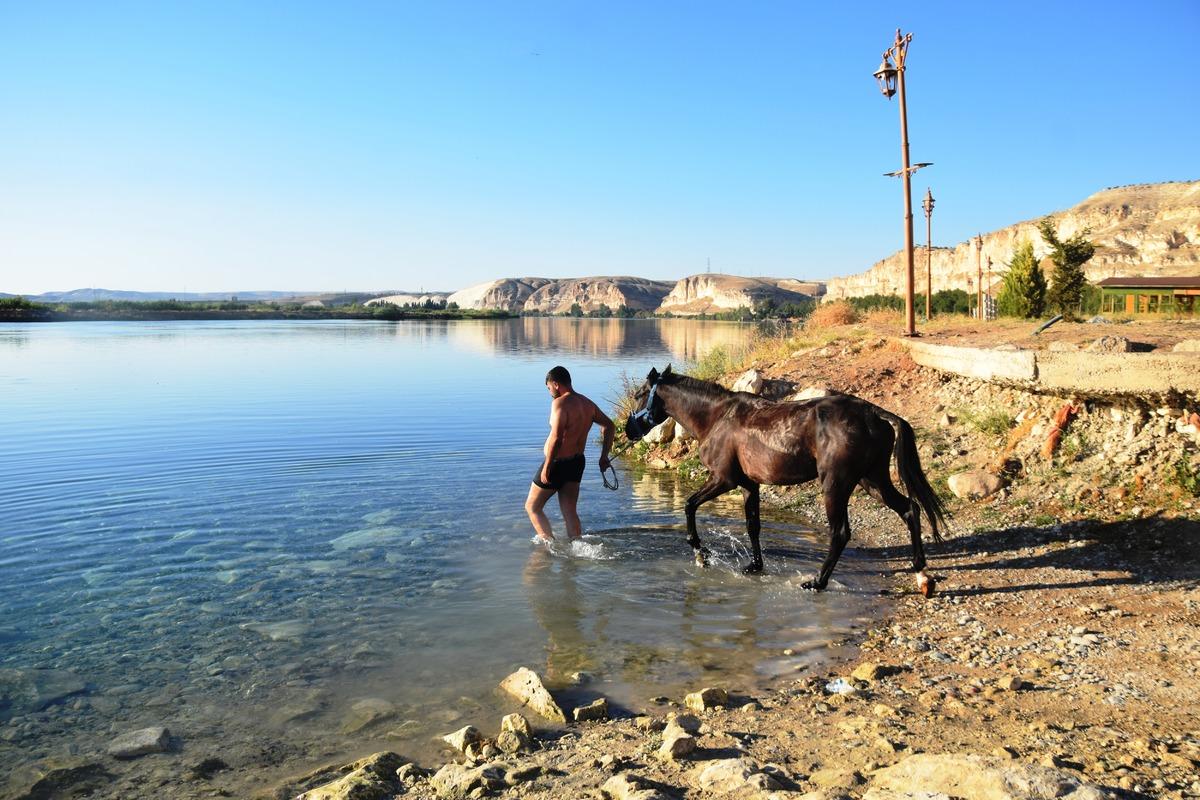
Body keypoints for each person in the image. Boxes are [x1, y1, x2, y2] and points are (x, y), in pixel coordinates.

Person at [524, 365, 614, 542]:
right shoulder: (587, 404)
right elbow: (610, 425)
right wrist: (604, 456)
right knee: (570, 511)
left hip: (557, 463)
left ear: (556, 384)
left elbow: (557, 439)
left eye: (549, 388)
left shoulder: (560, 404)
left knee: (532, 507)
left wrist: (546, 468)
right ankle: (577, 546)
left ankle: (548, 546)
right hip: (577, 462)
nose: (550, 392)